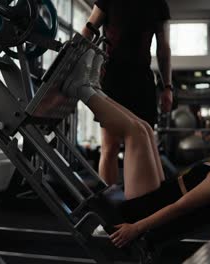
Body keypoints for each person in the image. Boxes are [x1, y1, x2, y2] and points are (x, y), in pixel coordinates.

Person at [61, 49, 210, 248]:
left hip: (149, 207)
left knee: (135, 133)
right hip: (162, 191)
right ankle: (92, 87)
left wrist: (135, 228)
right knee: (144, 128)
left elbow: (180, 208)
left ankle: (80, 89)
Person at [81, 0, 173, 186]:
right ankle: (108, 203)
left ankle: (141, 202)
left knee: (143, 142)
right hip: (113, 77)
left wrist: (168, 87)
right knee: (110, 146)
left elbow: (163, 48)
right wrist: (74, 61)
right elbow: (88, 30)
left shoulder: (158, 4)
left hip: (142, 79)